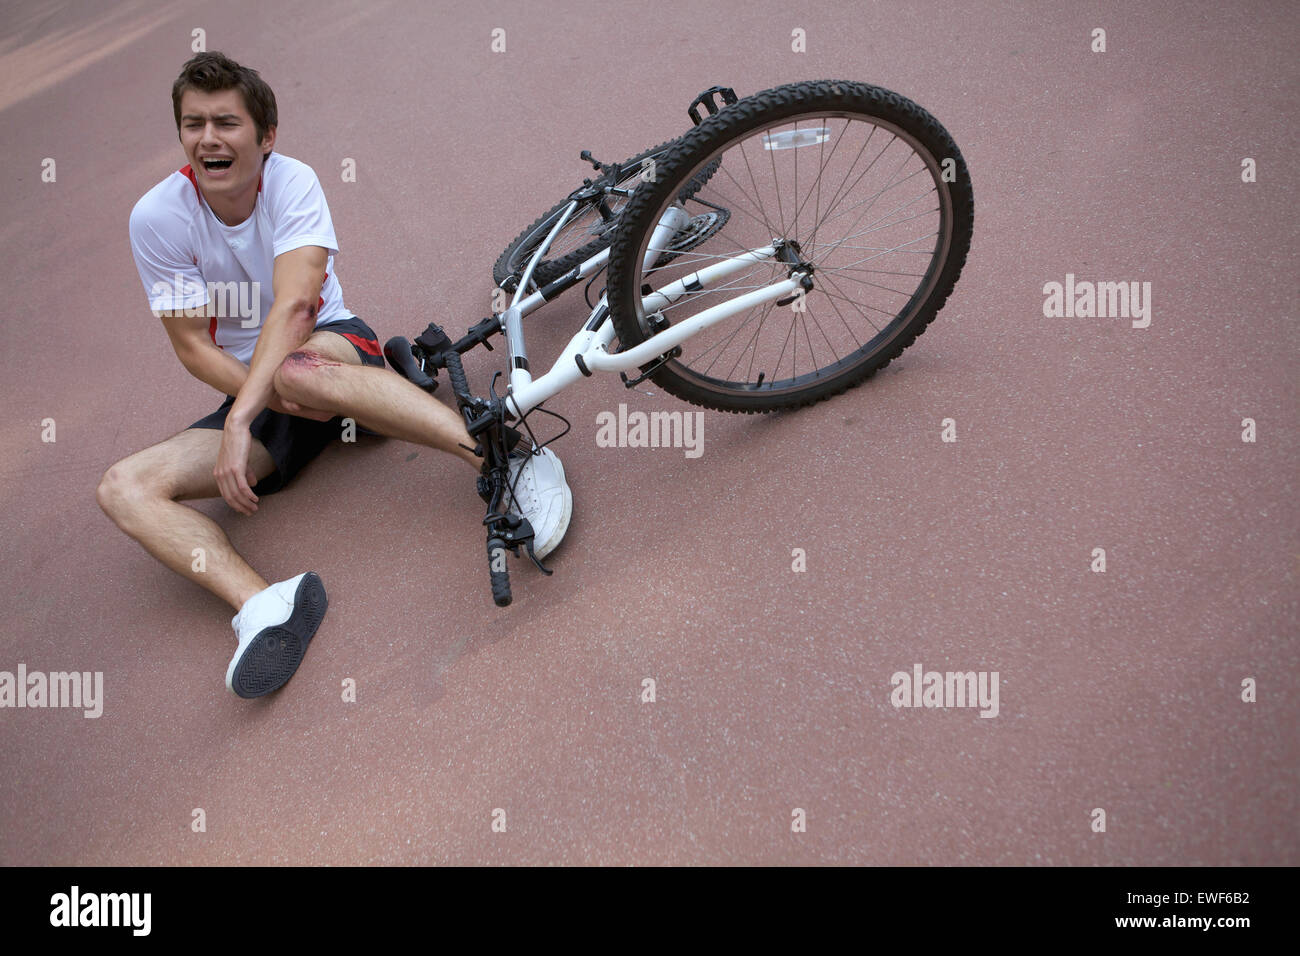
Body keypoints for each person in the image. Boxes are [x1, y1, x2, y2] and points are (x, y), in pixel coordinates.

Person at [98, 51, 571, 699]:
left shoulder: (292, 183)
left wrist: (240, 417)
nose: (209, 137)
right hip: (261, 394)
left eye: (227, 123)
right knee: (122, 487)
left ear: (266, 137)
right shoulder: (157, 218)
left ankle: (503, 457)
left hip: (328, 349)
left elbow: (295, 311)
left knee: (294, 368)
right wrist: (247, 407)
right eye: (193, 123)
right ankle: (265, 607)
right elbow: (189, 345)